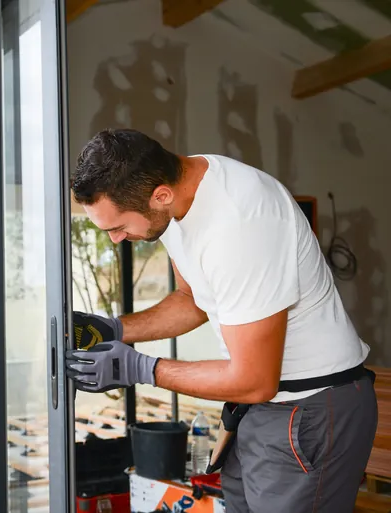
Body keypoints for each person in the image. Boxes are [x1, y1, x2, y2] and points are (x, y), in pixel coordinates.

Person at [65, 128, 377, 513]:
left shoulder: (241, 222)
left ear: (159, 195)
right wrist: (115, 329)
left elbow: (254, 379)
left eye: (117, 227)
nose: (115, 239)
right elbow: (193, 298)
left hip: (307, 410)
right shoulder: (176, 196)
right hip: (259, 409)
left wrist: (141, 369)